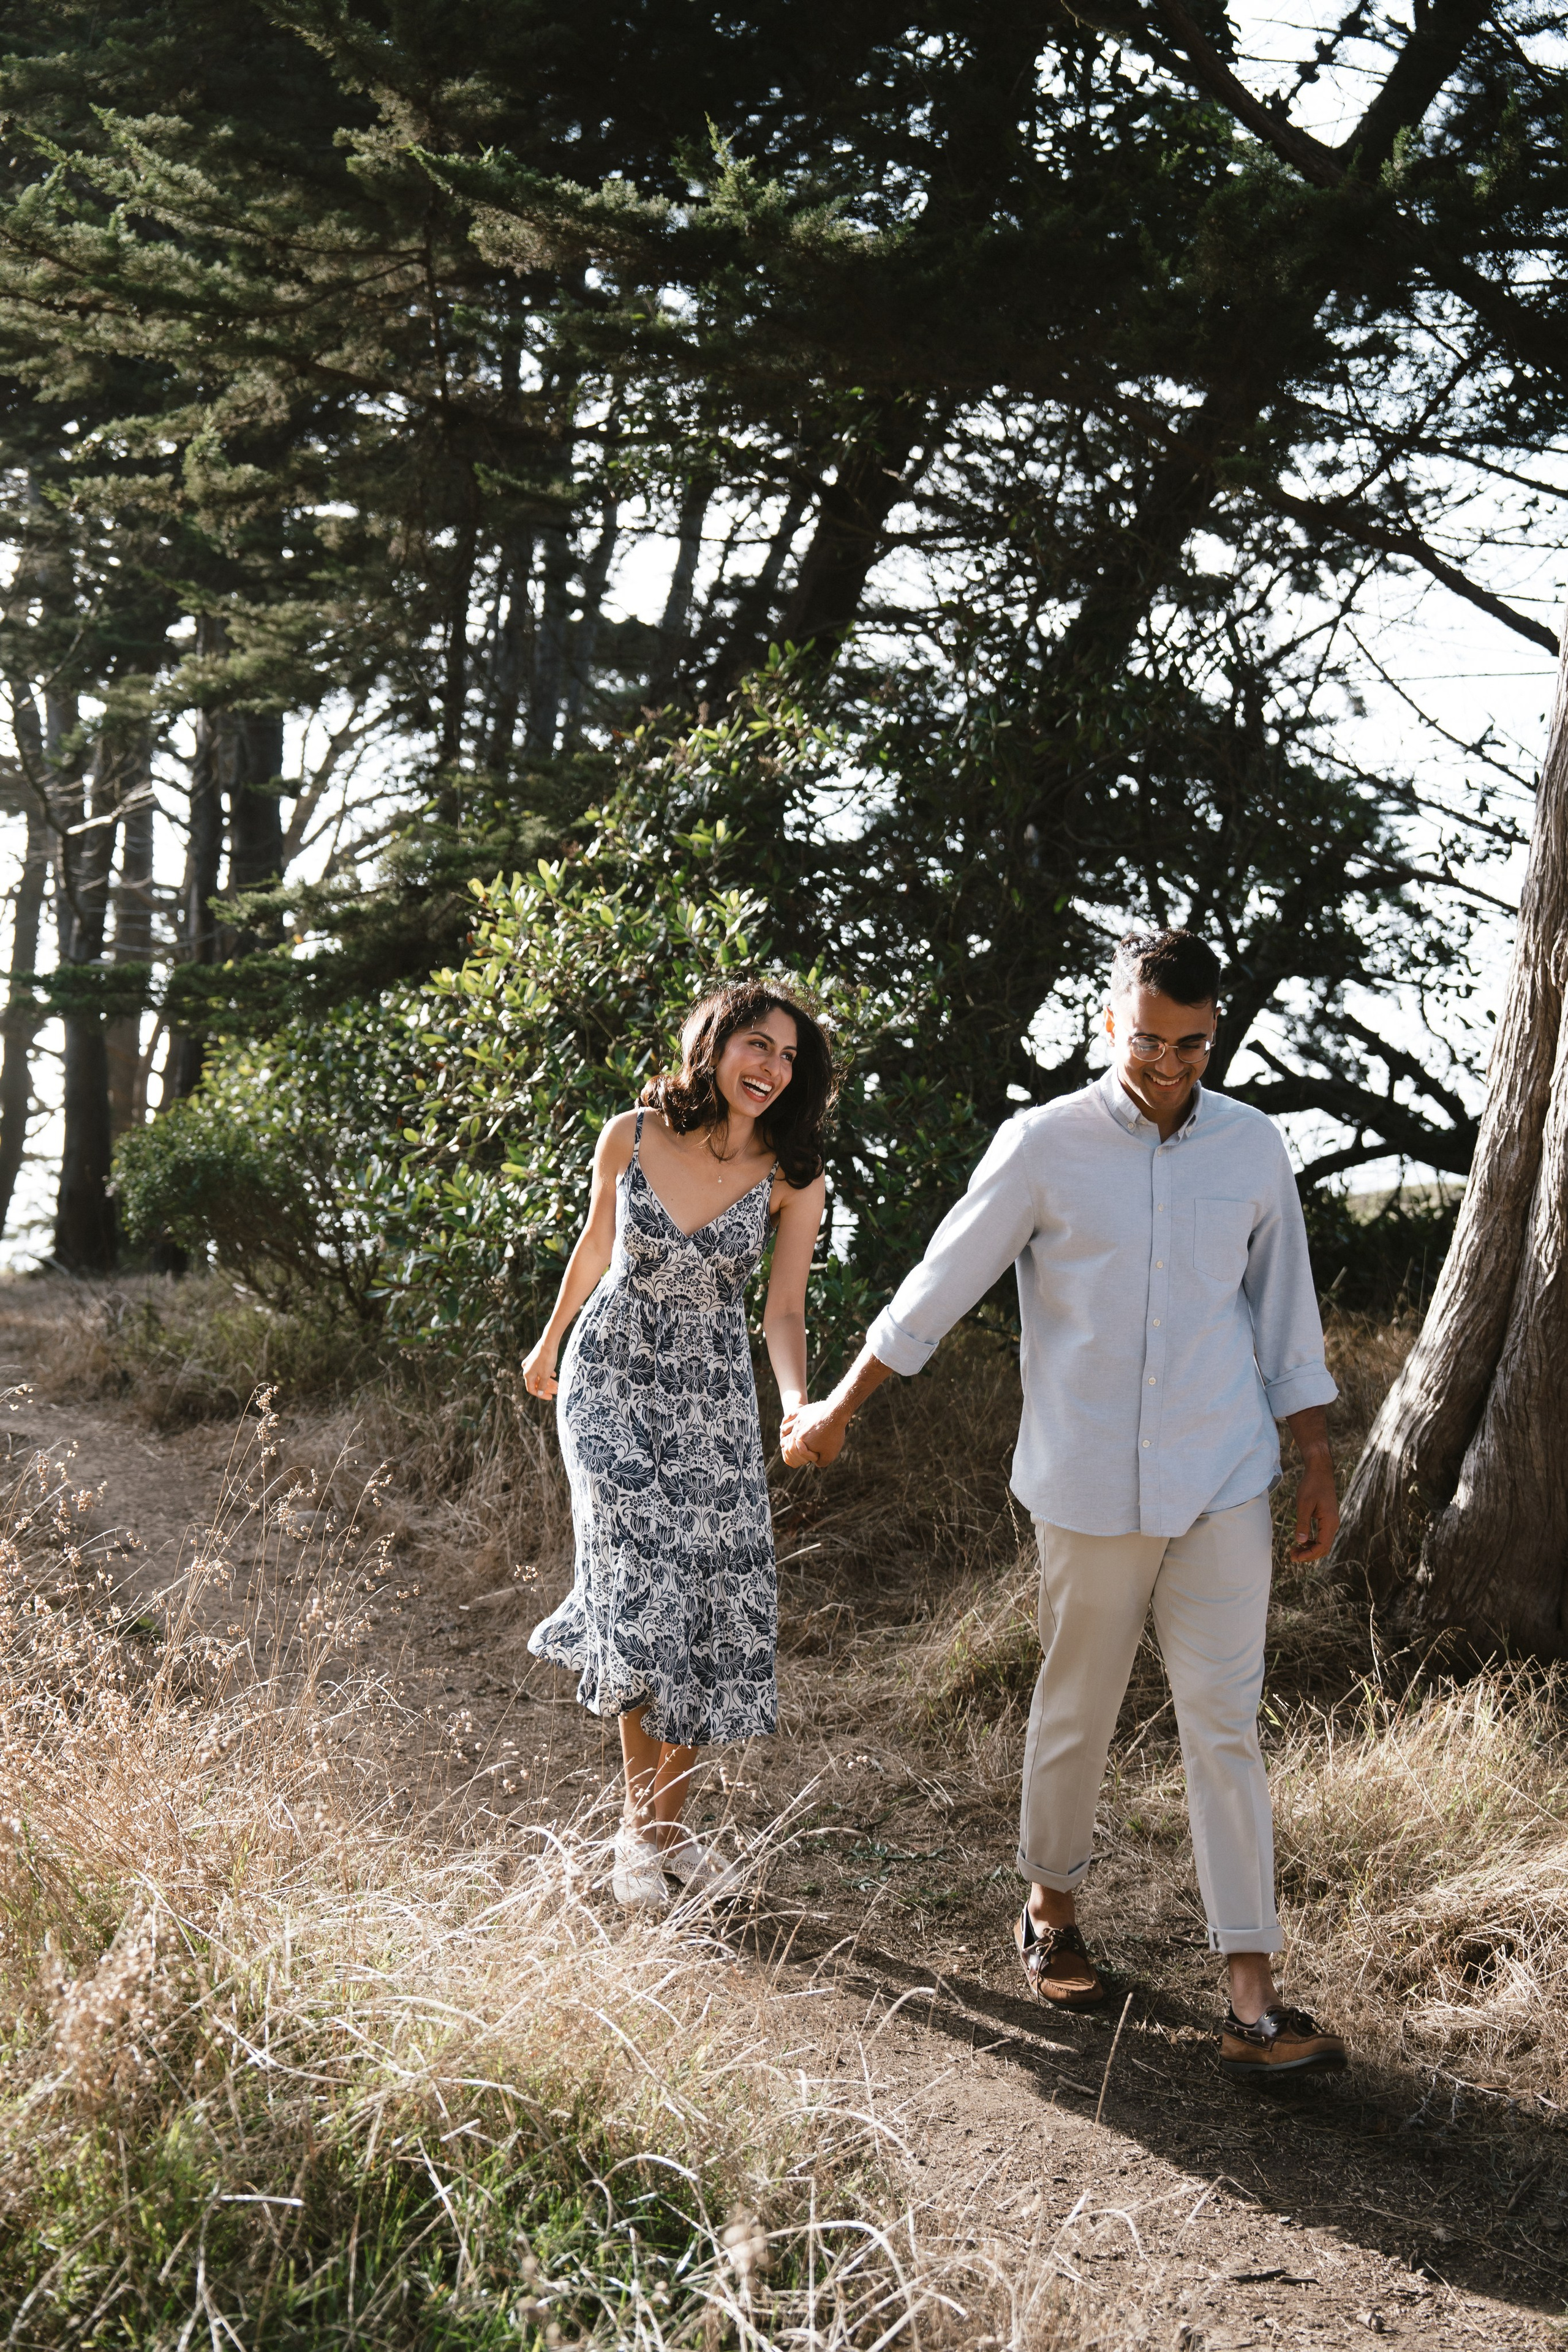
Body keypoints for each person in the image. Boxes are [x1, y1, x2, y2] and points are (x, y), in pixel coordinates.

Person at [783, 929, 1349, 2080]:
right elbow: (938, 1284)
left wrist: (1317, 1457)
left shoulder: (1252, 1148)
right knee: (1078, 1702)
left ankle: (1251, 2000)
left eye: (1194, 1044)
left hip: (1223, 1477)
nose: (1173, 1064)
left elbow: (1283, 1313)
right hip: (1089, 1486)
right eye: (1150, 1040)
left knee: (1224, 1727)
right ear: (1109, 1026)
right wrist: (840, 1403)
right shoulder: (1043, 1145)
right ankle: (1052, 1909)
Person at [523, 979, 830, 1909]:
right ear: (718, 1042)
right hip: (610, 1375)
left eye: (788, 1057)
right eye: (757, 1046)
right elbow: (593, 1247)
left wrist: (795, 1404)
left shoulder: (793, 1175)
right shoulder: (633, 1132)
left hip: (714, 1397)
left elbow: (783, 1311)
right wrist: (548, 1342)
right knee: (642, 1582)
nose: (771, 1069)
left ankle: (671, 1834)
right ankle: (636, 1835)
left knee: (704, 1598)